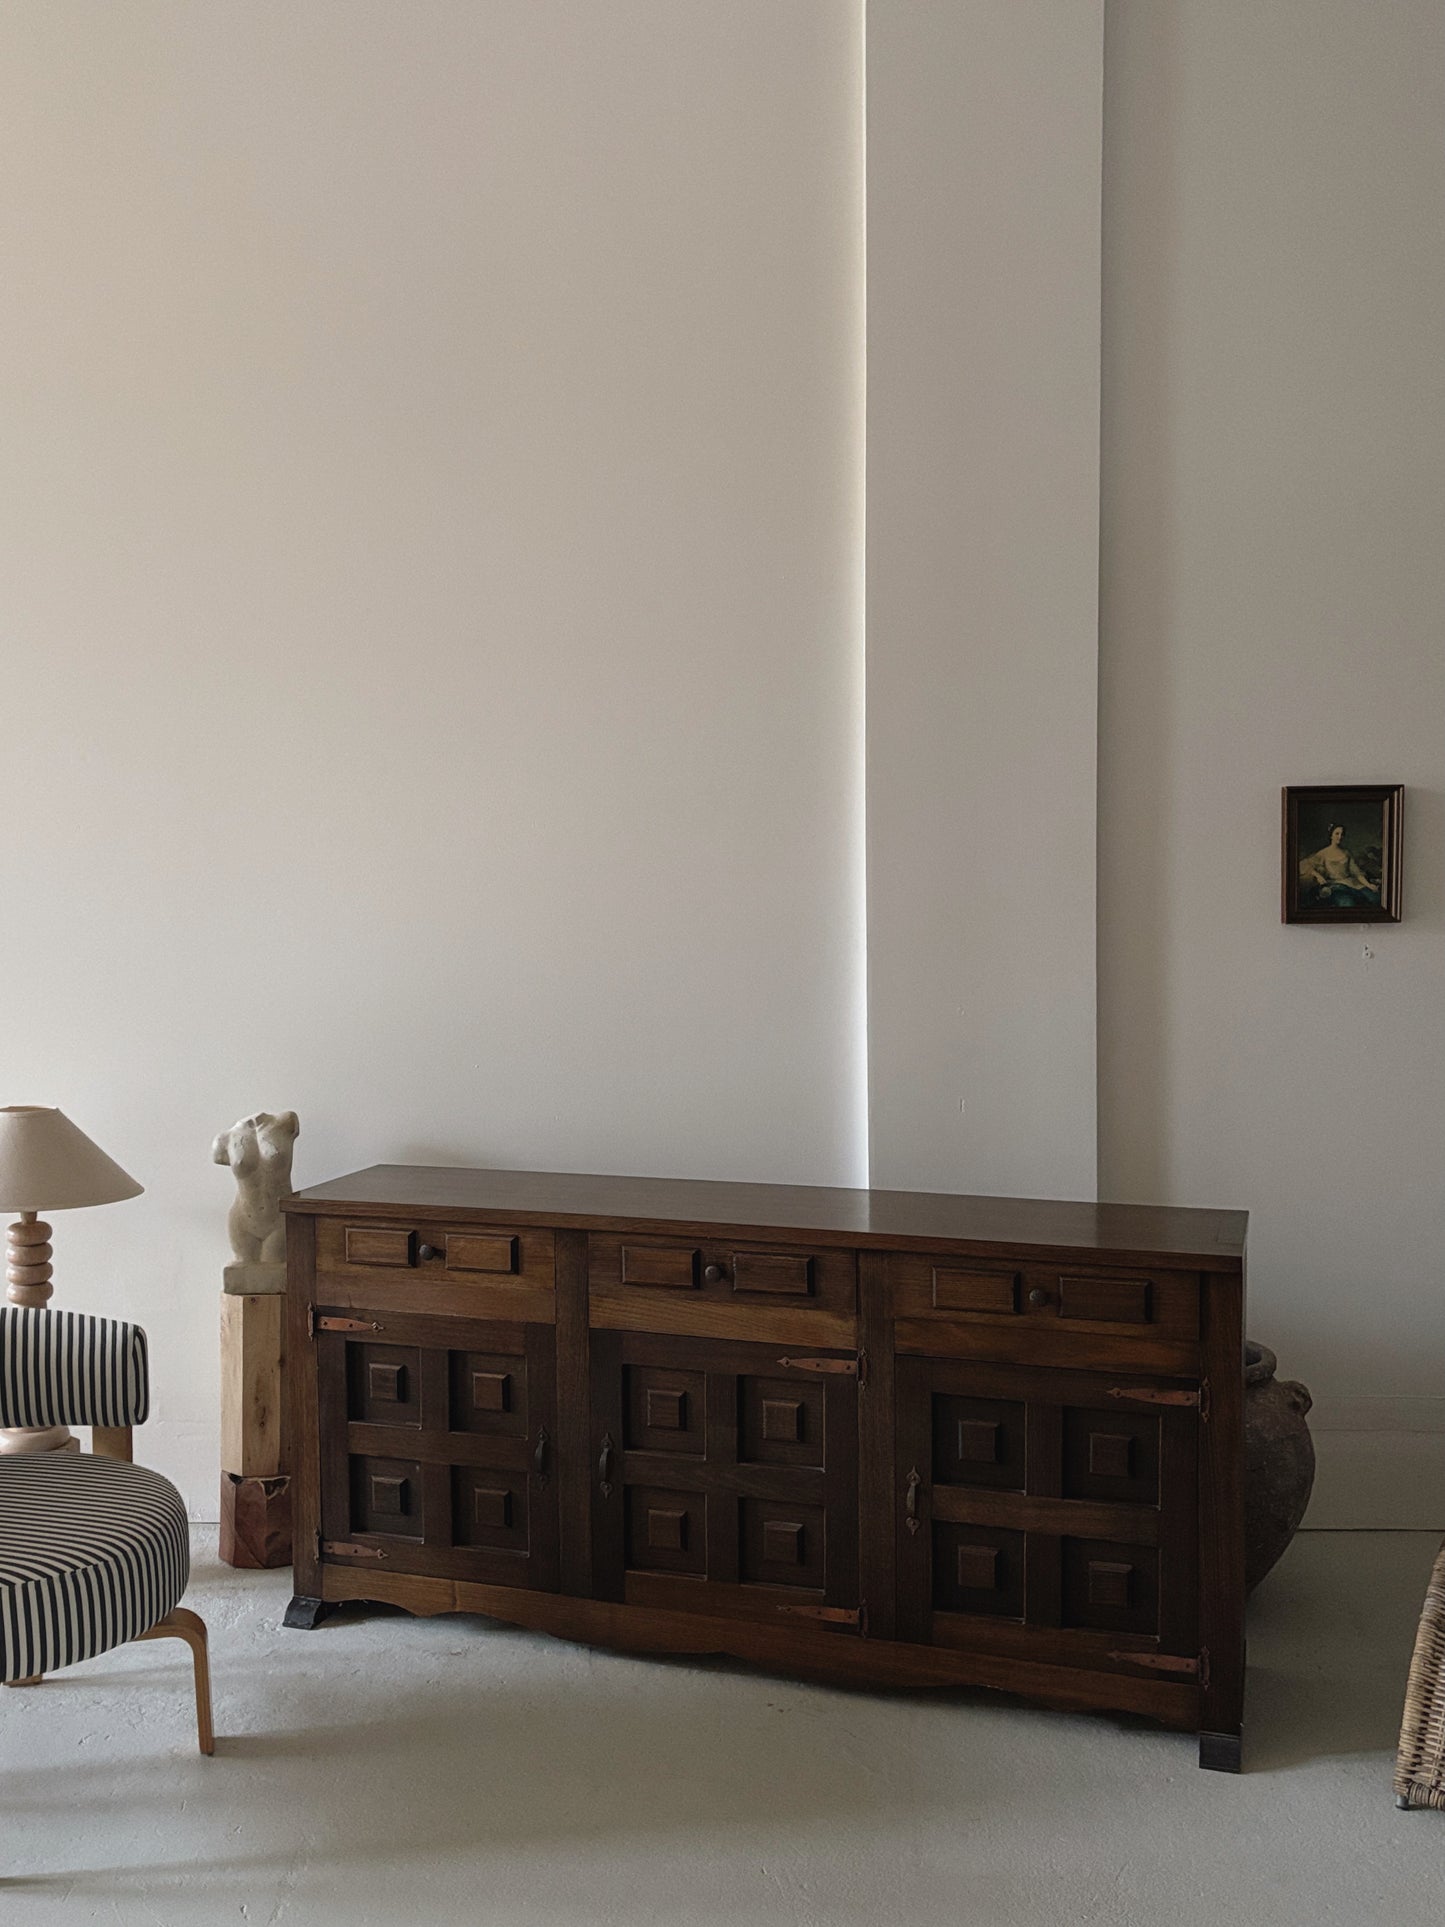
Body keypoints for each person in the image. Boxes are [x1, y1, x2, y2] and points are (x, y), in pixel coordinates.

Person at [1298, 823, 1379, 908]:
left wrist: (1369, 885)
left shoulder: (1346, 853)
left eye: (1342, 834)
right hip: (1335, 886)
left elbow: (1356, 872)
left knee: (1375, 898)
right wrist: (1318, 875)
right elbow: (1304, 864)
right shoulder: (1323, 853)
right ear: (1331, 835)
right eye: (1337, 833)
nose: (1340, 836)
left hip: (1352, 883)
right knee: (1348, 904)